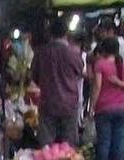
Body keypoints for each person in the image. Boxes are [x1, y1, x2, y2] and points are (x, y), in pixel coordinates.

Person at [29, 19, 85, 147]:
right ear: (66, 33)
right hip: (69, 104)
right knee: (69, 147)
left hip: (48, 103)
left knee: (46, 146)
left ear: (49, 33)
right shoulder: (72, 53)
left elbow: (35, 77)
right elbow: (80, 71)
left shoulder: (41, 53)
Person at [89, 35, 124, 160]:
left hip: (104, 108)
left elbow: (97, 87)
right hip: (122, 108)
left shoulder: (100, 64)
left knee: (104, 141)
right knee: (119, 141)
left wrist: (91, 108)